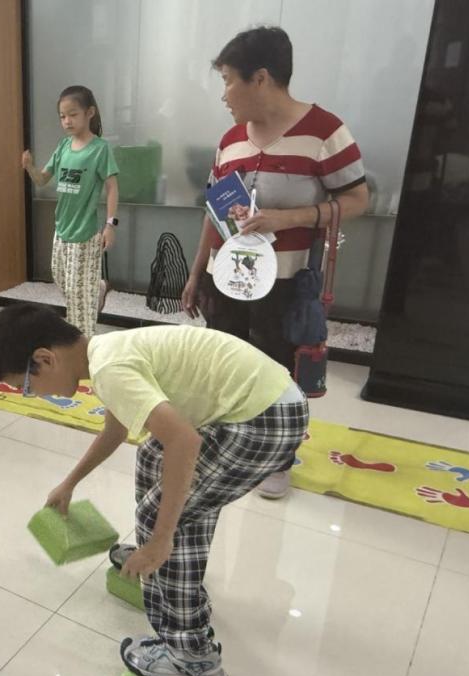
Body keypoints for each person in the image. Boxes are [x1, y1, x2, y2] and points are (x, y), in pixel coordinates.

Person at [0, 303, 308, 676]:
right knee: (153, 455)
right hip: (270, 403)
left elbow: (185, 441)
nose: (34, 396)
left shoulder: (110, 370)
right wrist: (70, 482)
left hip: (263, 420)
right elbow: (116, 432)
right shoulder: (105, 353)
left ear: (45, 359)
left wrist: (161, 539)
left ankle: (193, 660)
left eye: (26, 387)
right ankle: (166, 564)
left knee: (165, 517)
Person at [181, 26, 369, 499]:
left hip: (284, 281)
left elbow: (357, 199)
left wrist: (290, 218)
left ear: (260, 78)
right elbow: (214, 211)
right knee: (222, 364)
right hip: (227, 277)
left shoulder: (324, 132)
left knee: (276, 370)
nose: (223, 93)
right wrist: (196, 272)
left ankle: (276, 459)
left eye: (228, 80)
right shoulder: (230, 141)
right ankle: (227, 445)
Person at [22, 85, 119, 337]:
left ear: (90, 113)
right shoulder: (64, 146)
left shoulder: (100, 149)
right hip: (61, 229)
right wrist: (30, 167)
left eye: (73, 115)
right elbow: (42, 179)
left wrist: (110, 225)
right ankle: (97, 289)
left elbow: (112, 188)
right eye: (62, 116)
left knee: (77, 300)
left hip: (85, 233)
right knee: (61, 279)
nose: (67, 121)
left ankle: (83, 345)